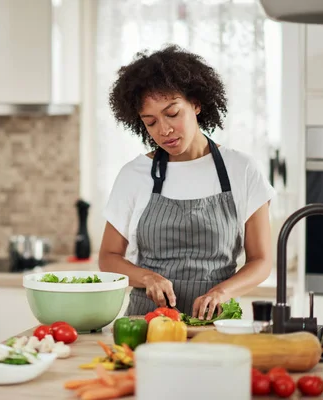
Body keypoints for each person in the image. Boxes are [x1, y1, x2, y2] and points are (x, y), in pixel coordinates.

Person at [99, 45, 276, 320]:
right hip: (146, 324)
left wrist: (221, 293)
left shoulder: (241, 169)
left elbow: (262, 261)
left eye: (172, 114)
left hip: (216, 325)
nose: (164, 130)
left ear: (195, 103)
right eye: (151, 122)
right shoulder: (134, 174)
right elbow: (108, 258)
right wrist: (147, 278)